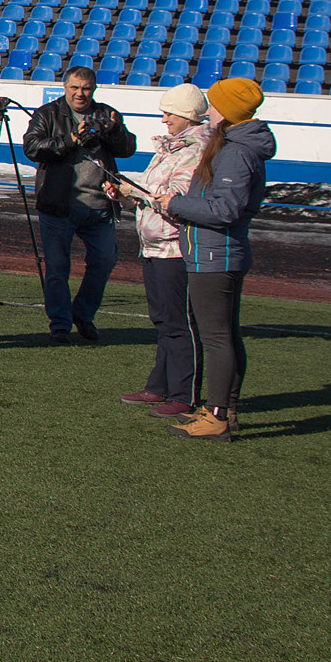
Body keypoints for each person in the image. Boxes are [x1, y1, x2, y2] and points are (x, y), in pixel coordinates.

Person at [115, 77, 274, 440]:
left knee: (216, 338)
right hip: (215, 250)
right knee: (223, 336)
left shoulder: (234, 151)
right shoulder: (233, 146)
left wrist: (174, 203)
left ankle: (216, 413)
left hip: (214, 253)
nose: (209, 110)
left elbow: (225, 208)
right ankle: (223, 409)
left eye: (215, 105)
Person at [117, 83, 212, 421]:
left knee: (179, 322)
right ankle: (160, 384)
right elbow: (154, 193)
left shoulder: (196, 150)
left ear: (187, 115)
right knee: (162, 319)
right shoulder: (172, 148)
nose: (164, 120)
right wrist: (126, 194)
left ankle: (184, 394)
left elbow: (177, 195)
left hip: (175, 246)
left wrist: (136, 190)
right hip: (155, 245)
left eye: (169, 113)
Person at [23, 65, 136, 345]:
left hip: (99, 204)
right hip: (58, 204)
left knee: (104, 260)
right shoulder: (48, 114)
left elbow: (128, 148)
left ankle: (83, 314)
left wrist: (112, 131)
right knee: (58, 268)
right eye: (75, 88)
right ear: (65, 88)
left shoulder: (106, 114)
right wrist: (70, 139)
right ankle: (60, 324)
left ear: (94, 89)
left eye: (85, 88)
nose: (80, 94)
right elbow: (32, 148)